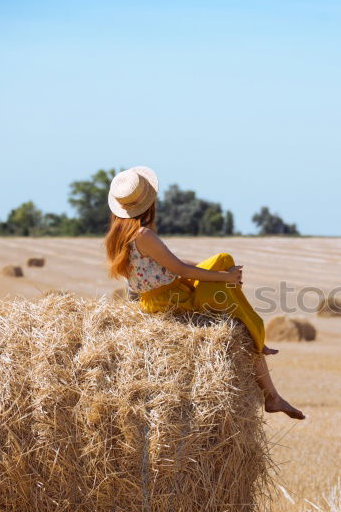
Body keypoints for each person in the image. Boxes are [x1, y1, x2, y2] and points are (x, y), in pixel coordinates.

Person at [103, 166, 304, 420]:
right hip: (174, 299)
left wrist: (211, 270)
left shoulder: (120, 237)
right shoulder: (144, 234)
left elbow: (169, 264)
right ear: (149, 203)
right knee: (232, 299)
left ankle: (267, 376)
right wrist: (226, 277)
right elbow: (179, 268)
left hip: (156, 301)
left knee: (220, 266)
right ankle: (265, 367)